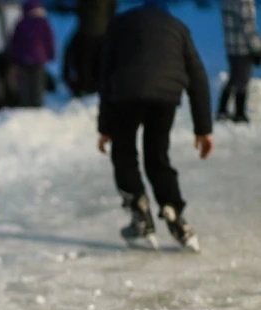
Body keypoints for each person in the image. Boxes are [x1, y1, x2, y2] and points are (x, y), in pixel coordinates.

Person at [98, 0, 212, 252]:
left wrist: (104, 126)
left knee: (124, 152)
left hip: (126, 92)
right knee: (157, 154)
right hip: (166, 94)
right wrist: (203, 129)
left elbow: (105, 75)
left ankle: (139, 211)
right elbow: (198, 76)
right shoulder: (178, 27)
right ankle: (173, 211)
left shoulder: (120, 23)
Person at [217, 0, 261, 123]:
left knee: (234, 77)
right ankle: (239, 113)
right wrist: (257, 49)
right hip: (243, 47)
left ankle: (222, 110)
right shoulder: (245, 2)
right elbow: (248, 27)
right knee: (242, 79)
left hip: (231, 45)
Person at [62, 0, 116, 97]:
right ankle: (95, 88)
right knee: (100, 62)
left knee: (84, 63)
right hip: (102, 31)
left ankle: (85, 88)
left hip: (86, 30)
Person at [8, 0, 55, 107]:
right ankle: (37, 104)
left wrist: (13, 58)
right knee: (37, 83)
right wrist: (50, 54)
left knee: (24, 84)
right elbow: (48, 40)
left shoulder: (20, 23)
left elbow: (15, 42)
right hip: (39, 59)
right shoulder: (43, 22)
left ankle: (26, 104)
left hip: (23, 59)